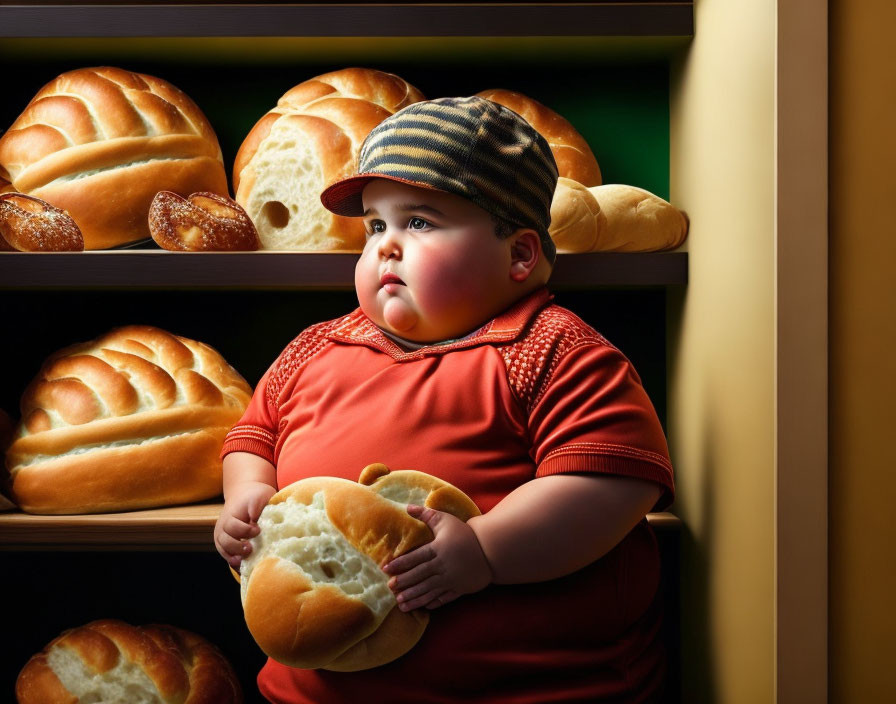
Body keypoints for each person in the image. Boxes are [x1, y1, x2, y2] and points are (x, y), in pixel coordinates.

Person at [214, 96, 674, 703]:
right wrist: (248, 493)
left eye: (420, 223)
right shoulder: (316, 347)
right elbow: (254, 436)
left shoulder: (552, 348)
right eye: (376, 225)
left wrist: (486, 550)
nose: (386, 246)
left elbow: (611, 481)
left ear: (519, 255)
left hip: (528, 686)